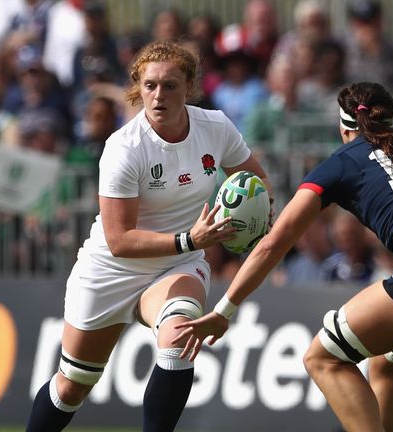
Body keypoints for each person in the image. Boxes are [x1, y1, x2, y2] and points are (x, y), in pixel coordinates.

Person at [174, 82, 393, 432]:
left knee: (323, 359)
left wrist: (223, 310)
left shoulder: (341, 162)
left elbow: (274, 245)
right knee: (385, 365)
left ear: (343, 127)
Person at [24, 39, 272, 432]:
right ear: (138, 88)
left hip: (176, 265)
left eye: (170, 85)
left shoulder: (216, 127)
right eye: (149, 85)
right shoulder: (124, 148)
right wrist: (191, 239)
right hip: (111, 269)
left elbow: (257, 180)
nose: (158, 95)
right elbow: (120, 240)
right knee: (73, 386)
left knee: (178, 342)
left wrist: (250, 215)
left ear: (189, 88)